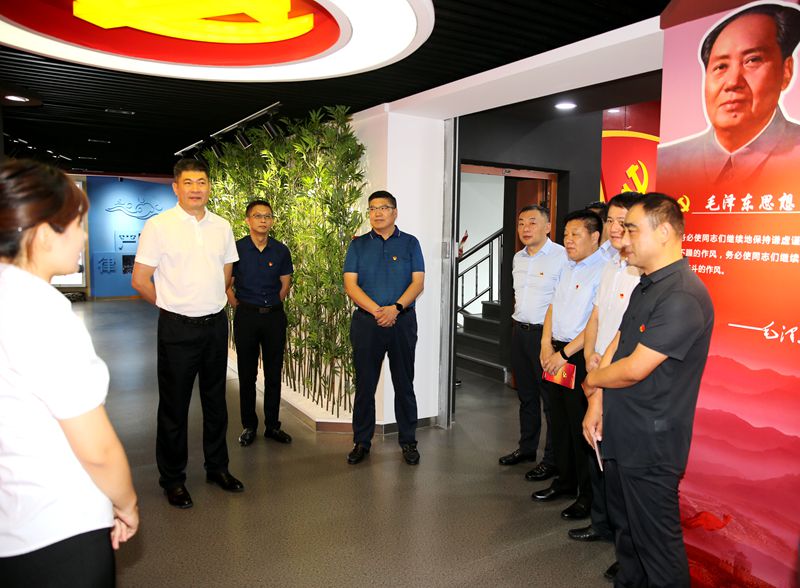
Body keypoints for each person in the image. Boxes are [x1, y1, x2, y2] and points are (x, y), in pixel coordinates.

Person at [0, 159, 138, 586]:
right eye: (78, 225)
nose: (84, 237)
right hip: (58, 528)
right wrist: (126, 501)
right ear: (44, 234)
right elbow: (96, 448)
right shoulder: (41, 311)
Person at [583, 194, 714, 587]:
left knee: (657, 549)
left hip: (651, 444)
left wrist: (592, 381)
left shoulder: (682, 296)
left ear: (665, 232)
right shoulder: (647, 284)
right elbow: (620, 341)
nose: (623, 238)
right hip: (623, 431)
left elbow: (635, 368)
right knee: (628, 538)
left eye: (632, 229)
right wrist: (596, 404)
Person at [132, 158, 243, 508]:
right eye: (189, 183)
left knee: (216, 403)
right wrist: (171, 306)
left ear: (209, 186)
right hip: (177, 328)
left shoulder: (222, 226)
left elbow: (226, 271)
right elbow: (140, 280)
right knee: (174, 407)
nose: (196, 189)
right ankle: (173, 479)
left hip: (215, 325)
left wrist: (208, 299)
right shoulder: (159, 226)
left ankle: (218, 467)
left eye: (202, 182)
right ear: (176, 188)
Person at [568, 193, 642, 581]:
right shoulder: (612, 264)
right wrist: (590, 356)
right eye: (610, 220)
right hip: (598, 365)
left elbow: (630, 331)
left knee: (618, 464)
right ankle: (601, 523)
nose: (614, 228)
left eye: (622, 221)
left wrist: (603, 367)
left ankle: (625, 549)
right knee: (598, 451)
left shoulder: (641, 269)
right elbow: (597, 314)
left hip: (622, 375)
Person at [658, 3, 800, 193]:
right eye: (721, 67)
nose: (732, 82)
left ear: (786, 71)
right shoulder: (667, 163)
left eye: (752, 60)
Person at [532, 209, 605, 521]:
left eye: (576, 234)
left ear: (595, 237)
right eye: (566, 235)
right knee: (559, 421)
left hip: (578, 356)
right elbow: (552, 306)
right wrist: (545, 343)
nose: (569, 240)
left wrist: (563, 354)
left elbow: (594, 323)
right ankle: (564, 481)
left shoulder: (603, 269)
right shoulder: (566, 265)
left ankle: (587, 496)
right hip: (556, 351)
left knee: (580, 427)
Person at [343, 190, 425, 465]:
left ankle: (409, 441)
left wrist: (395, 309)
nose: (377, 213)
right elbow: (350, 285)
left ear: (395, 212)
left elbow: (418, 282)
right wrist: (378, 311)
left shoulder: (410, 243)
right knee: (365, 385)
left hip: (402, 322)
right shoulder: (358, 245)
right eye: (372, 208)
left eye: (384, 207)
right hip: (367, 324)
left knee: (404, 384)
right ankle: (361, 442)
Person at [498, 205, 566, 485]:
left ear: (548, 227)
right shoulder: (518, 257)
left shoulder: (562, 257)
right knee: (526, 396)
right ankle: (527, 448)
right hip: (520, 334)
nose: (525, 228)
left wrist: (549, 342)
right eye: (521, 223)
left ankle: (552, 460)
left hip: (548, 339)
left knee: (551, 401)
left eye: (533, 222)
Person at [227, 199, 294, 447]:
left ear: (272, 221)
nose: (263, 220)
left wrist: (272, 304)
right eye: (257, 216)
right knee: (247, 374)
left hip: (274, 317)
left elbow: (285, 284)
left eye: (267, 216)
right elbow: (227, 285)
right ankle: (249, 426)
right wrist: (240, 306)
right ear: (248, 220)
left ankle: (273, 425)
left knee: (274, 373)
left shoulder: (281, 250)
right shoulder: (237, 249)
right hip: (247, 316)